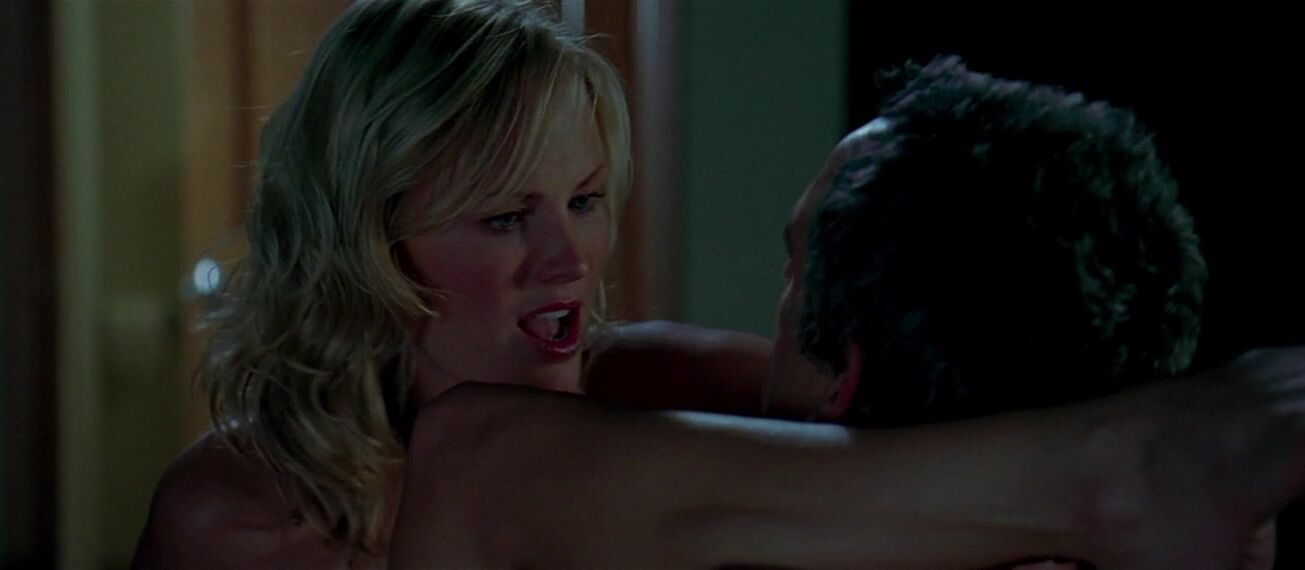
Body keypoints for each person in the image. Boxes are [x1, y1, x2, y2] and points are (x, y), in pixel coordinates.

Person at [134, 1, 1305, 568]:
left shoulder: (652, 380)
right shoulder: (237, 514)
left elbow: (895, 408)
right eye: (503, 218)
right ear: (363, 243)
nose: (570, 261)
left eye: (586, 200)